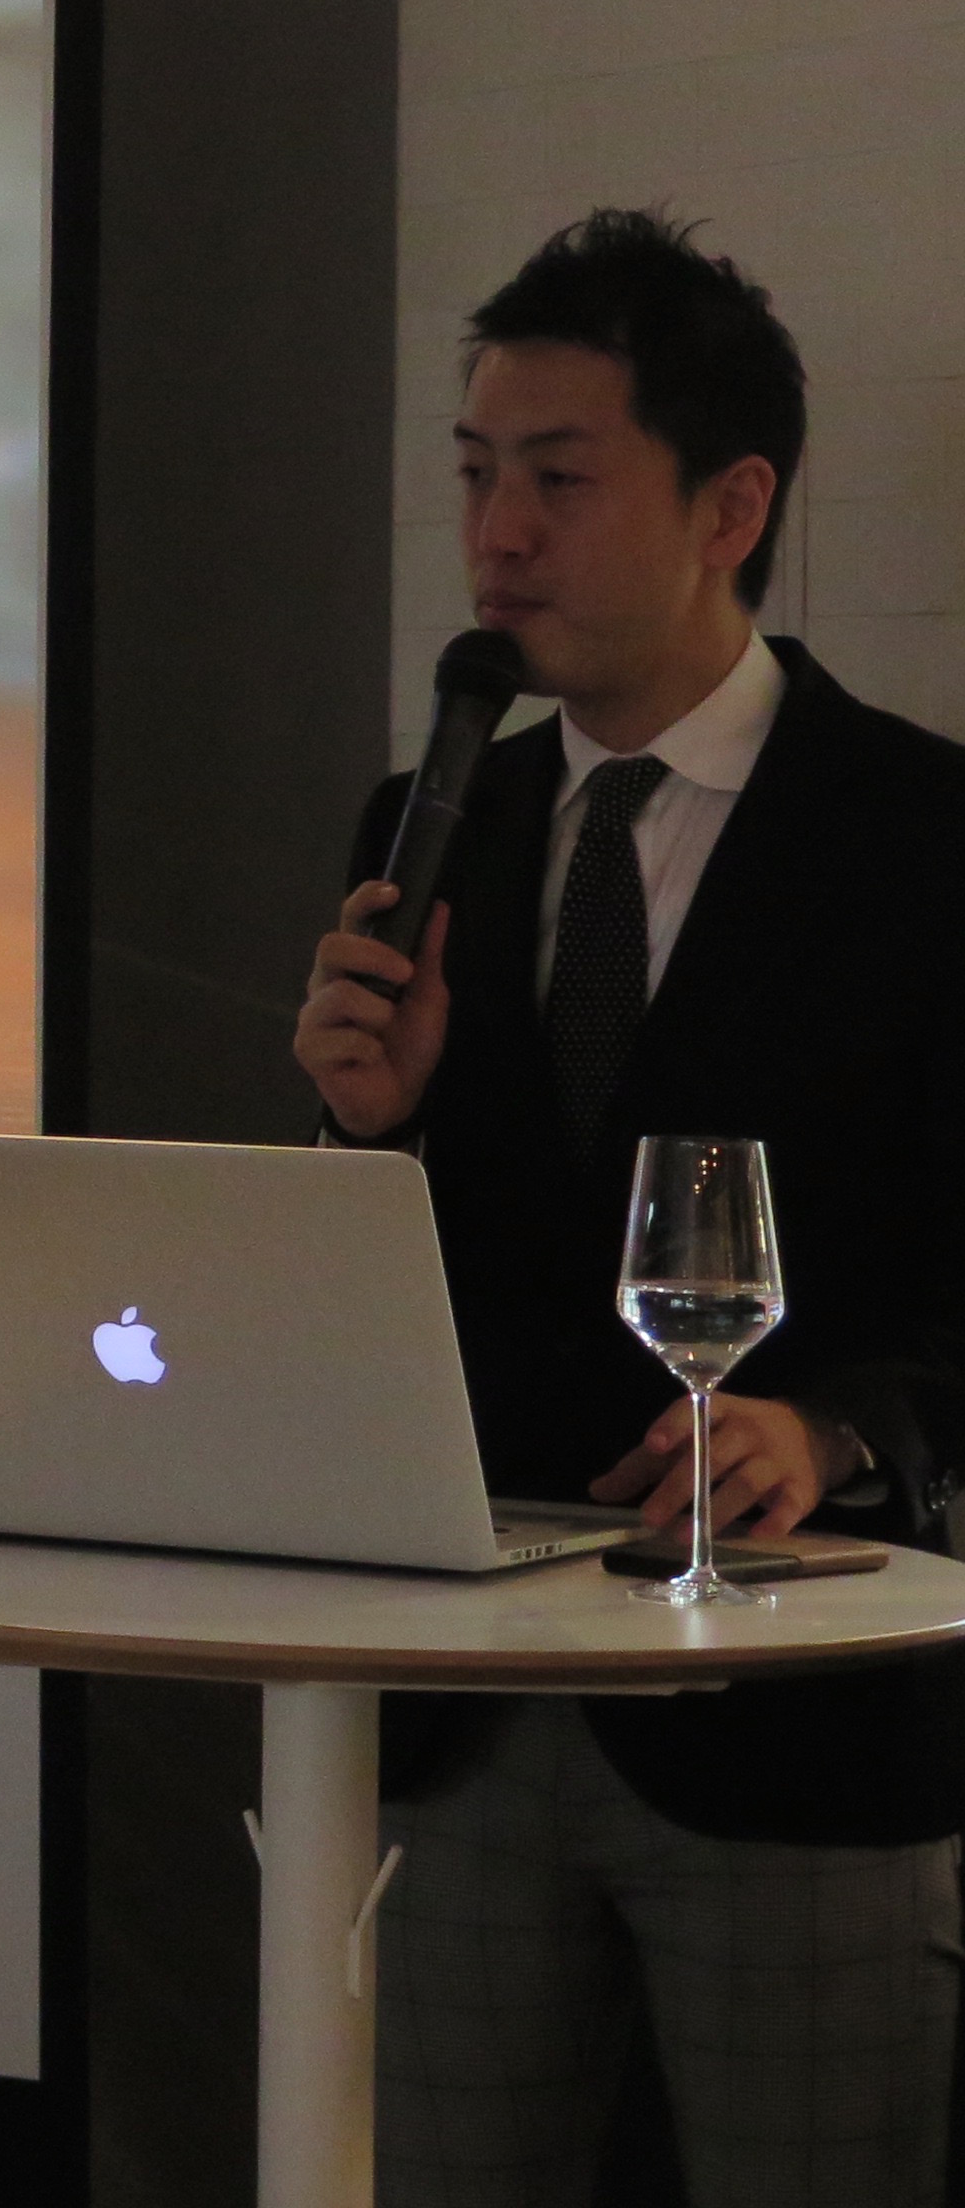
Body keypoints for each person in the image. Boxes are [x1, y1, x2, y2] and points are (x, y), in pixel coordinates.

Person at [296, 209, 965, 2207]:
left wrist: (830, 1427)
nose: (495, 536)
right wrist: (362, 1135)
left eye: (558, 479)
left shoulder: (924, 836)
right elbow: (378, 1291)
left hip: (796, 1722)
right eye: (471, 475)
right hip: (462, 1706)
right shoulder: (431, 825)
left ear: (727, 507)